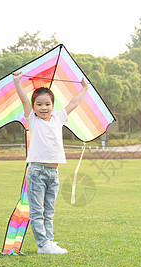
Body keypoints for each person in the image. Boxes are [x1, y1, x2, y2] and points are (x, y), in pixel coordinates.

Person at [13, 71, 89, 254]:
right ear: (34, 107)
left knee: (49, 211)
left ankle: (49, 242)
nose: (43, 108)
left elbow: (74, 103)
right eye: (39, 104)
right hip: (37, 172)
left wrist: (85, 88)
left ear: (53, 106)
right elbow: (24, 100)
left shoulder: (58, 119)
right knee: (37, 211)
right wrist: (17, 82)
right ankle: (42, 245)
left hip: (53, 173)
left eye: (47, 104)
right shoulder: (32, 120)